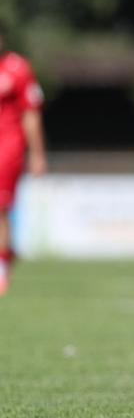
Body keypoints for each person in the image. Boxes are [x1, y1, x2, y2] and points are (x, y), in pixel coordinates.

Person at [0, 31, 47, 295]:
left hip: (6, 147)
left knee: (0, 208)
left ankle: (1, 271)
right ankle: (7, 253)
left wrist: (38, 154)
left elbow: (31, 114)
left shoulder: (17, 69)